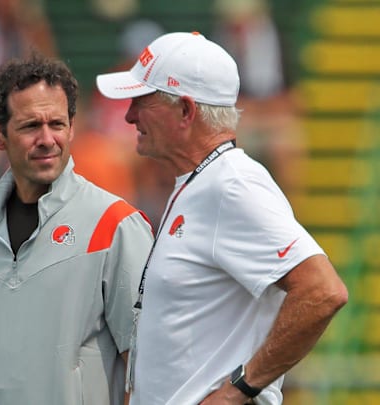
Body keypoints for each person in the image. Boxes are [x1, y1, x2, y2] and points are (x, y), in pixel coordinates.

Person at [95, 32, 348, 404]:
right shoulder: (203, 181)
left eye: (142, 101)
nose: (129, 115)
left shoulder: (231, 184)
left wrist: (238, 392)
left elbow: (323, 292)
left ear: (186, 111)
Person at [0, 54, 154, 405]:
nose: (47, 139)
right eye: (30, 126)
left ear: (72, 127)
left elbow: (144, 367)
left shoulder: (116, 224)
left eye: (56, 124)